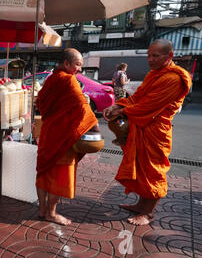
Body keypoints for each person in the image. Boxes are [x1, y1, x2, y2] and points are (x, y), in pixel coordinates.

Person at [103, 39, 192, 226]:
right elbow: (137, 97)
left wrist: (122, 111)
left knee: (153, 170)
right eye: (149, 55)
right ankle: (140, 205)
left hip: (156, 130)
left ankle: (148, 213)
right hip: (143, 127)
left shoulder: (174, 78)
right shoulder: (155, 74)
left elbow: (150, 104)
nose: (150, 59)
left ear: (170, 56)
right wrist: (117, 105)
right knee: (141, 167)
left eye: (156, 56)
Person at [35, 48, 98, 226]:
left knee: (43, 172)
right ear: (67, 64)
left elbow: (40, 101)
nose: (80, 69)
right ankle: (51, 213)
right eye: (78, 65)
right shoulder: (69, 80)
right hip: (62, 135)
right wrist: (95, 125)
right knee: (58, 174)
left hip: (48, 133)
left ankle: (41, 209)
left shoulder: (51, 79)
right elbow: (82, 106)